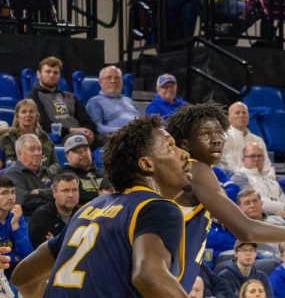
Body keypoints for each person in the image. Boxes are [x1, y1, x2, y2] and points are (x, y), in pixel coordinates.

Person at [165, 103, 285, 295]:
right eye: (205, 135)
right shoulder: (197, 169)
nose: (217, 140)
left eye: (219, 133)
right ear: (185, 143)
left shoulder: (189, 172)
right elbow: (247, 230)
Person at [11, 116, 192, 298]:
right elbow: (148, 277)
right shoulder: (155, 207)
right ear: (146, 164)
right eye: (170, 146)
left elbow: (22, 276)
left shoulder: (89, 208)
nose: (184, 154)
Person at [28, 57, 95, 144]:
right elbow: (43, 126)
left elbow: (86, 120)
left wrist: (89, 131)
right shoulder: (33, 97)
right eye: (48, 72)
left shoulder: (70, 97)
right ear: (38, 74)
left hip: (81, 135)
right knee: (79, 139)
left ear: (59, 75)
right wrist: (72, 130)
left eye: (55, 72)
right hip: (60, 138)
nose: (51, 75)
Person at [231, 142, 285, 221]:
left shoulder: (271, 180)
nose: (256, 159)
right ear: (243, 159)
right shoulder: (240, 177)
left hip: (283, 218)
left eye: (260, 156)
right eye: (252, 156)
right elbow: (255, 202)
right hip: (260, 220)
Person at [3, 134, 55, 215]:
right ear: (20, 153)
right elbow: (23, 201)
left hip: (52, 218)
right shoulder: (12, 174)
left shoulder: (46, 172)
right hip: (27, 221)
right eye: (32, 150)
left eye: (39, 149)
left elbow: (59, 194)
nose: (37, 153)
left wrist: (40, 192)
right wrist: (51, 195)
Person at [86, 66, 140, 139]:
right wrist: (124, 130)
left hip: (140, 135)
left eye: (117, 78)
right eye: (108, 77)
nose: (113, 81)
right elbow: (98, 128)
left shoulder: (128, 100)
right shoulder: (95, 101)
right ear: (100, 82)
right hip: (118, 138)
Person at [27, 172, 79, 245]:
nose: (71, 195)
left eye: (74, 190)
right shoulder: (40, 217)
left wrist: (55, 242)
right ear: (54, 193)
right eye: (65, 191)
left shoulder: (83, 214)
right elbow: (42, 252)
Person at [0, 99, 55, 164]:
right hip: (18, 173)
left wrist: (46, 172)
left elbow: (55, 163)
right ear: (17, 117)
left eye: (31, 112)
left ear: (36, 116)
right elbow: (10, 163)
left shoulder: (44, 136)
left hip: (44, 173)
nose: (28, 115)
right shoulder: (8, 137)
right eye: (24, 112)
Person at [222, 102, 269, 172]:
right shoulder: (222, 139)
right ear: (229, 118)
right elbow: (227, 168)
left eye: (244, 113)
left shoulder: (258, 141)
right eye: (237, 113)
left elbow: (266, 166)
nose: (241, 115)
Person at [59, 134, 104, 204]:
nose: (83, 154)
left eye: (85, 150)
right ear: (67, 156)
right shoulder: (64, 176)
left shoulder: (103, 173)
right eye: (77, 151)